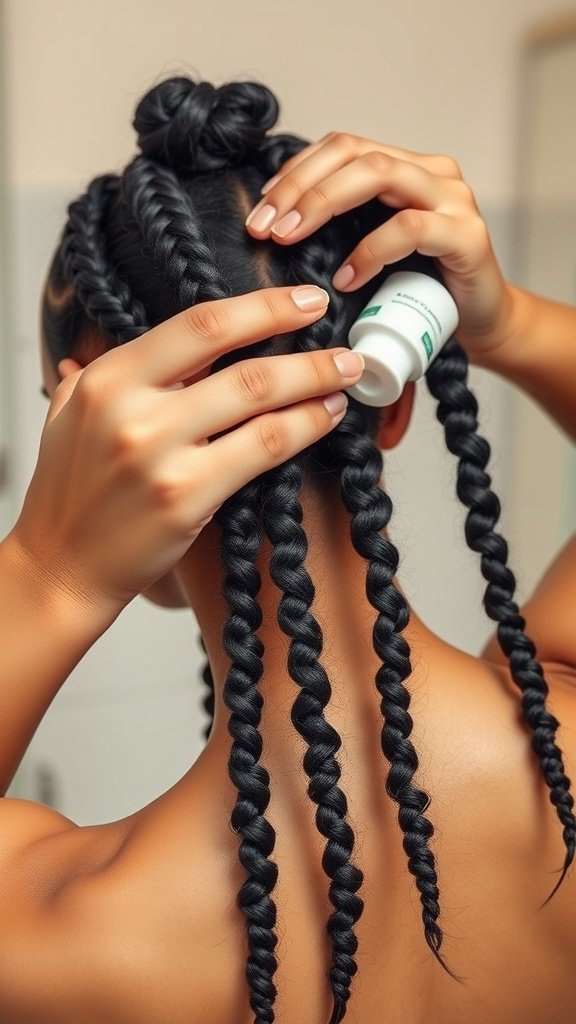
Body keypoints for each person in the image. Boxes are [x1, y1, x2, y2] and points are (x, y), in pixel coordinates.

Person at [0, 75, 575, 1024]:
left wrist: (49, 569)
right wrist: (508, 322)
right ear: (396, 403)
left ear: (92, 445)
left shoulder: (72, 933)